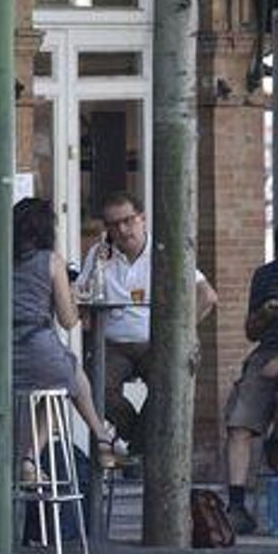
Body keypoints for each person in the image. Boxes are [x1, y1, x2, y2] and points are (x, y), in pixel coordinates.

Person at [74, 190, 217, 455]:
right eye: (113, 224)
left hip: (156, 341)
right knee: (94, 386)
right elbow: (82, 298)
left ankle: (138, 448)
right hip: (113, 342)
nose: (122, 229)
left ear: (142, 219)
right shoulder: (99, 253)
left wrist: (182, 332)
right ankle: (138, 439)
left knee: (171, 383)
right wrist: (97, 273)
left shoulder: (164, 251)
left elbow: (207, 295)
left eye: (128, 220)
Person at [9, 198, 125, 476]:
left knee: (69, 370)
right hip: (38, 349)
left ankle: (100, 437)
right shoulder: (50, 261)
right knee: (63, 383)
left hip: (3, 356)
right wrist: (71, 294)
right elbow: (69, 320)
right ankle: (33, 457)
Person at [225, 215, 278, 533]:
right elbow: (250, 332)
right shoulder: (266, 276)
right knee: (239, 421)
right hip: (267, 352)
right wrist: (263, 315)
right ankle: (236, 504)